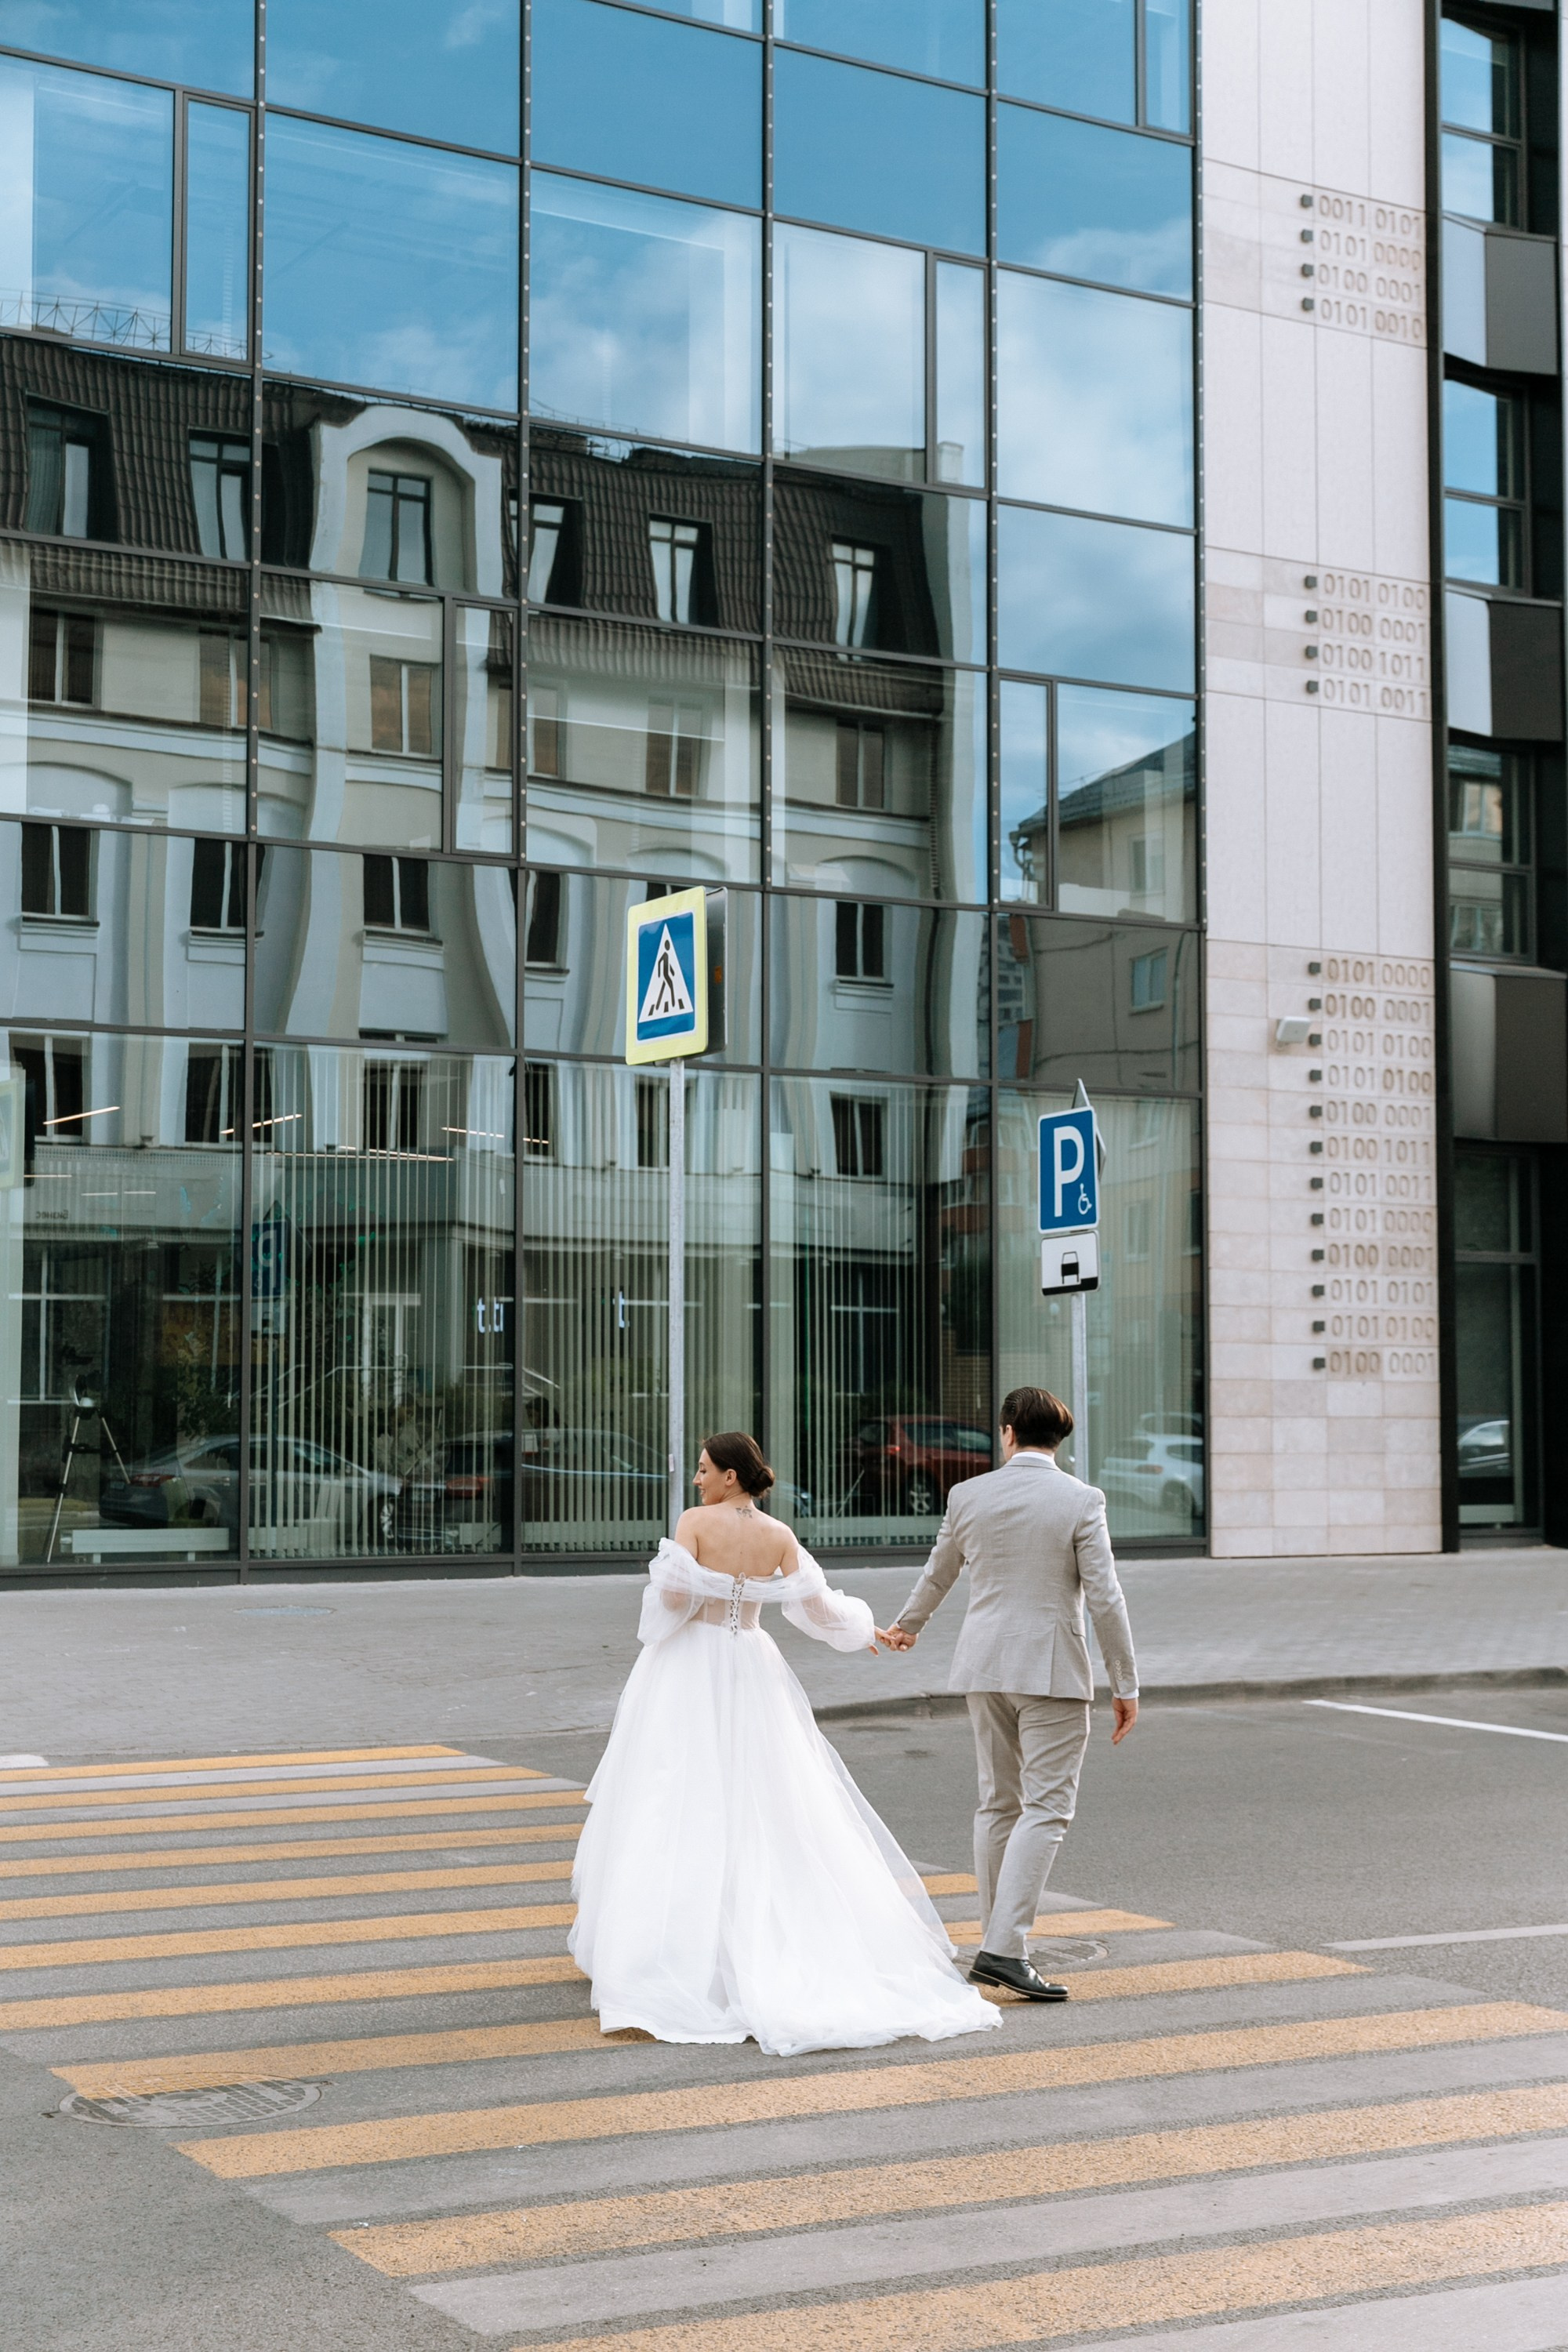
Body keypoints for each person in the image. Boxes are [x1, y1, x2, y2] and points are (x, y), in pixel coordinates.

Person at [570, 1431, 1000, 2056]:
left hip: (690, 1668)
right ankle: (765, 1938)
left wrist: (680, 1581)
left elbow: (668, 1606)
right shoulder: (778, 1536)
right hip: (753, 1667)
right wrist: (869, 1629)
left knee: (674, 1795)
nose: (697, 1479)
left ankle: (667, 1953)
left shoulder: (694, 1522)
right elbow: (818, 1609)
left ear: (730, 1477)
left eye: (704, 1469)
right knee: (768, 1800)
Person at [880, 1385, 1138, 2002]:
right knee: (1046, 1809)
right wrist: (1124, 1682)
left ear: (1007, 1433)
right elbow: (1105, 1595)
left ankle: (998, 1946)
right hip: (1050, 1669)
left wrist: (906, 1627)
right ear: (1058, 1439)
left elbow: (939, 1568)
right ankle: (1004, 1948)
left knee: (998, 1803)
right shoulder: (1081, 1500)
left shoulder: (968, 1494)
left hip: (983, 1663)